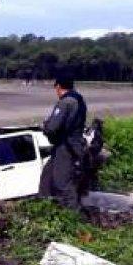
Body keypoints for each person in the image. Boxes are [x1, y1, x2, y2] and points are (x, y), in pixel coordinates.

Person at [39, 75, 87, 210]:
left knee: (63, 184)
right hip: (71, 145)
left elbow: (52, 127)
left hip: (66, 147)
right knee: (47, 178)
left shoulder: (65, 102)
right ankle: (46, 208)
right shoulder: (78, 100)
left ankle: (72, 215)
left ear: (58, 87)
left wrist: (44, 126)